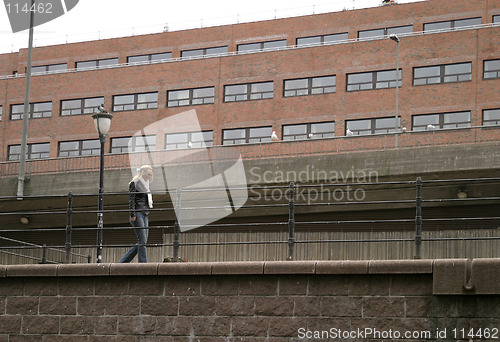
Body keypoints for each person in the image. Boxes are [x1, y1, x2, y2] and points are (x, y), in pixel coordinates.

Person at [120, 165, 154, 263]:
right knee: (142, 241)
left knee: (142, 242)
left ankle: (123, 262)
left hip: (145, 213)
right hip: (138, 213)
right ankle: (143, 263)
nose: (149, 177)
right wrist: (132, 214)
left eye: (150, 175)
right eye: (148, 174)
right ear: (142, 172)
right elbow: (131, 199)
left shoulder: (146, 184)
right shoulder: (135, 183)